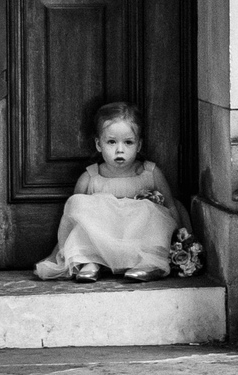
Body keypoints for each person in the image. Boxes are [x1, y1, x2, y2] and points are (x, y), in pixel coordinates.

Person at [32, 102, 184, 282]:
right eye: (111, 142)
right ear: (98, 144)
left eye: (128, 142)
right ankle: (89, 261)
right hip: (101, 242)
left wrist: (183, 238)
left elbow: (171, 207)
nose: (120, 150)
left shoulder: (150, 174)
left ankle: (150, 263)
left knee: (154, 213)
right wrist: (65, 249)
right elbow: (74, 220)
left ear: (139, 145)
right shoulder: (90, 178)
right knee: (79, 205)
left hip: (137, 240)